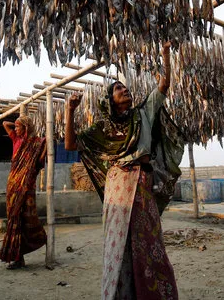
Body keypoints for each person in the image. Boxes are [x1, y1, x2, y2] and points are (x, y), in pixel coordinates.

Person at [65, 42, 183, 300]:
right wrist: (69, 110)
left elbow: (163, 86)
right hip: (117, 185)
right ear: (110, 100)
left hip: (141, 183)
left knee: (148, 241)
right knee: (118, 245)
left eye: (125, 87)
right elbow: (71, 145)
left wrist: (164, 54)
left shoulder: (143, 114)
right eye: (118, 89)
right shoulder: (103, 129)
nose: (124, 90)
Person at [0, 116, 47, 269]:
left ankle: (27, 250)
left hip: (26, 187)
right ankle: (17, 257)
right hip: (13, 184)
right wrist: (18, 122)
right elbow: (5, 123)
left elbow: (39, 162)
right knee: (13, 219)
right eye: (16, 127)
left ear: (26, 128)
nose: (16, 130)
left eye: (20, 127)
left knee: (24, 219)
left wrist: (25, 123)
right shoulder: (16, 139)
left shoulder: (36, 143)